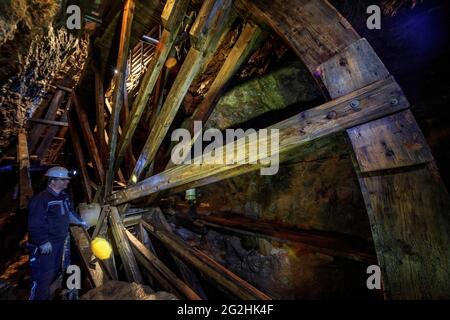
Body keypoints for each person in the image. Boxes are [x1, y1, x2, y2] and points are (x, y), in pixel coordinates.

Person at [27, 166, 88, 300]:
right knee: (42, 277)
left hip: (61, 242)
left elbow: (69, 213)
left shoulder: (63, 197)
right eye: (63, 180)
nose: (67, 182)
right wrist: (42, 241)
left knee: (56, 272)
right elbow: (35, 223)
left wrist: (81, 222)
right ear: (52, 181)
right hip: (46, 245)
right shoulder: (41, 199)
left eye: (67, 179)